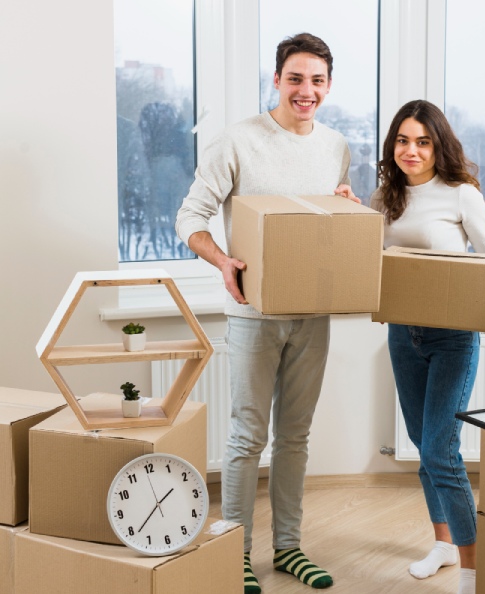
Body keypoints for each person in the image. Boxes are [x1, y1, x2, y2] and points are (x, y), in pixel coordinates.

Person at [176, 33, 354, 593]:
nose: (307, 91)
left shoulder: (335, 147)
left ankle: (289, 548)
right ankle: (236, 551)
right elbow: (190, 217)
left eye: (317, 81)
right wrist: (224, 262)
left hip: (313, 314)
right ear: (275, 80)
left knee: (295, 436)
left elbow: (323, 226)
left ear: (328, 86)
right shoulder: (238, 142)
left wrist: (345, 213)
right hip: (254, 312)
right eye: (296, 78)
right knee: (246, 435)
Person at [370, 100, 485, 594]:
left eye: (422, 141)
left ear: (439, 146)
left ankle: (473, 570)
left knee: (442, 449)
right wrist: (346, 211)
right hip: (402, 333)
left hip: (453, 337)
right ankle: (441, 543)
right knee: (422, 443)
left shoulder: (461, 194)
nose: (410, 150)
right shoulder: (384, 197)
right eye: (402, 140)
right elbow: (370, 256)